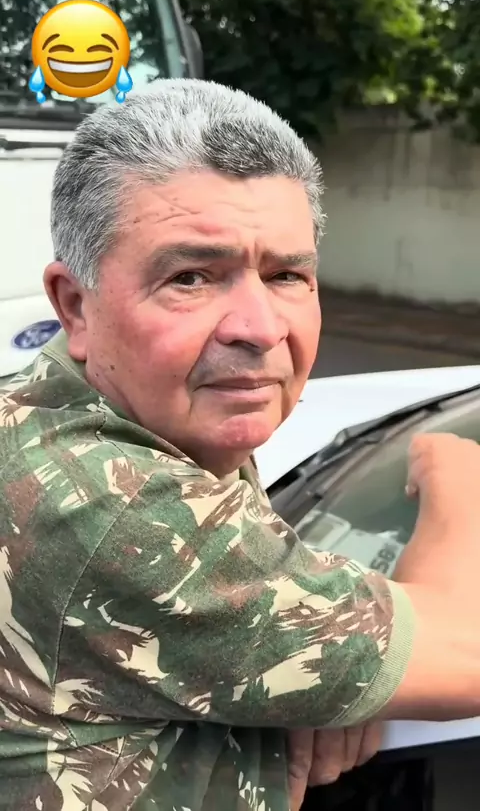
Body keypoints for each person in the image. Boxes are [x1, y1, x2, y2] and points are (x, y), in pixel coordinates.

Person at [1, 79, 480, 811]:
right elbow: (468, 652)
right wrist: (457, 468)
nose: (259, 328)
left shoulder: (114, 410)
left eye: (287, 274)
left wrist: (328, 678)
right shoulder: (112, 504)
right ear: (76, 306)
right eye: (191, 277)